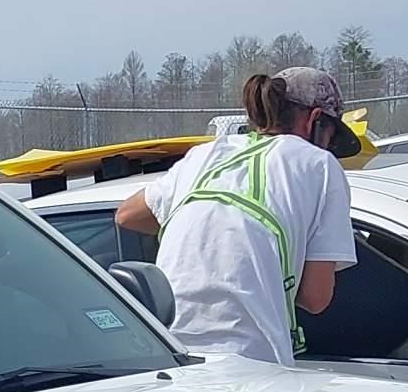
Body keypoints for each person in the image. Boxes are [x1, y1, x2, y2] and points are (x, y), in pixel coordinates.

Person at [113, 68, 358, 364]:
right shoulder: (321, 166)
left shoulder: (207, 155)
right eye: (331, 137)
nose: (330, 147)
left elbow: (127, 215)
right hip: (250, 359)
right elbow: (315, 298)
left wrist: (201, 232)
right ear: (314, 120)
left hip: (172, 353)